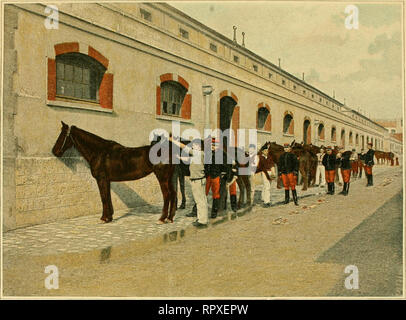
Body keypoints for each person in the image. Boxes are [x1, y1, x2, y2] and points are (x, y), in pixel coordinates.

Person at [169, 136, 208, 228]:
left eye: (194, 145)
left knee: (199, 201)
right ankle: (202, 218)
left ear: (199, 147)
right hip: (199, 180)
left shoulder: (199, 154)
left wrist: (173, 141)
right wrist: (179, 157)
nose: (193, 146)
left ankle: (202, 221)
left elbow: (185, 148)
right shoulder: (198, 155)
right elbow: (188, 159)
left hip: (197, 180)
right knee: (201, 200)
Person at [205, 138, 223, 218]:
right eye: (212, 145)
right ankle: (196, 210)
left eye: (215, 145)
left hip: (216, 176)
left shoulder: (221, 155)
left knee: (215, 194)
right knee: (203, 192)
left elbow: (224, 166)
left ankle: (214, 212)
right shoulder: (208, 153)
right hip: (208, 176)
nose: (213, 146)